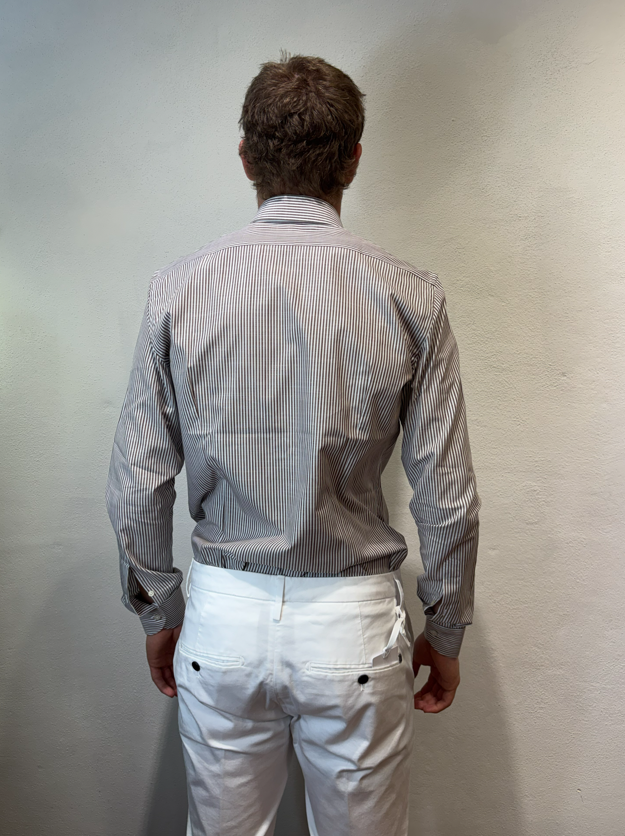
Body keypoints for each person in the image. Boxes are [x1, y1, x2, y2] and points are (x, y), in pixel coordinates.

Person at [106, 53, 480, 836]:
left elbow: (139, 479)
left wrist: (158, 610)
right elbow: (445, 491)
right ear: (353, 159)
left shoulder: (178, 290)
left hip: (223, 618)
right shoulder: (409, 295)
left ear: (246, 158)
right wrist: (444, 628)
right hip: (352, 626)